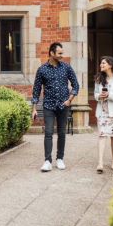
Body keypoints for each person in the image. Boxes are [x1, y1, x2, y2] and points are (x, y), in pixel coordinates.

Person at [31, 42, 80, 172]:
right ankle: (47, 161)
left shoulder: (66, 67)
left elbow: (76, 85)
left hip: (63, 105)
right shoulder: (42, 70)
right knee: (48, 132)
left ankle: (60, 159)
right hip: (49, 105)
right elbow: (36, 90)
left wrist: (70, 100)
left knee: (62, 133)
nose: (61, 55)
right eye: (59, 53)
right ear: (52, 53)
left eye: (62, 53)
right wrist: (34, 108)